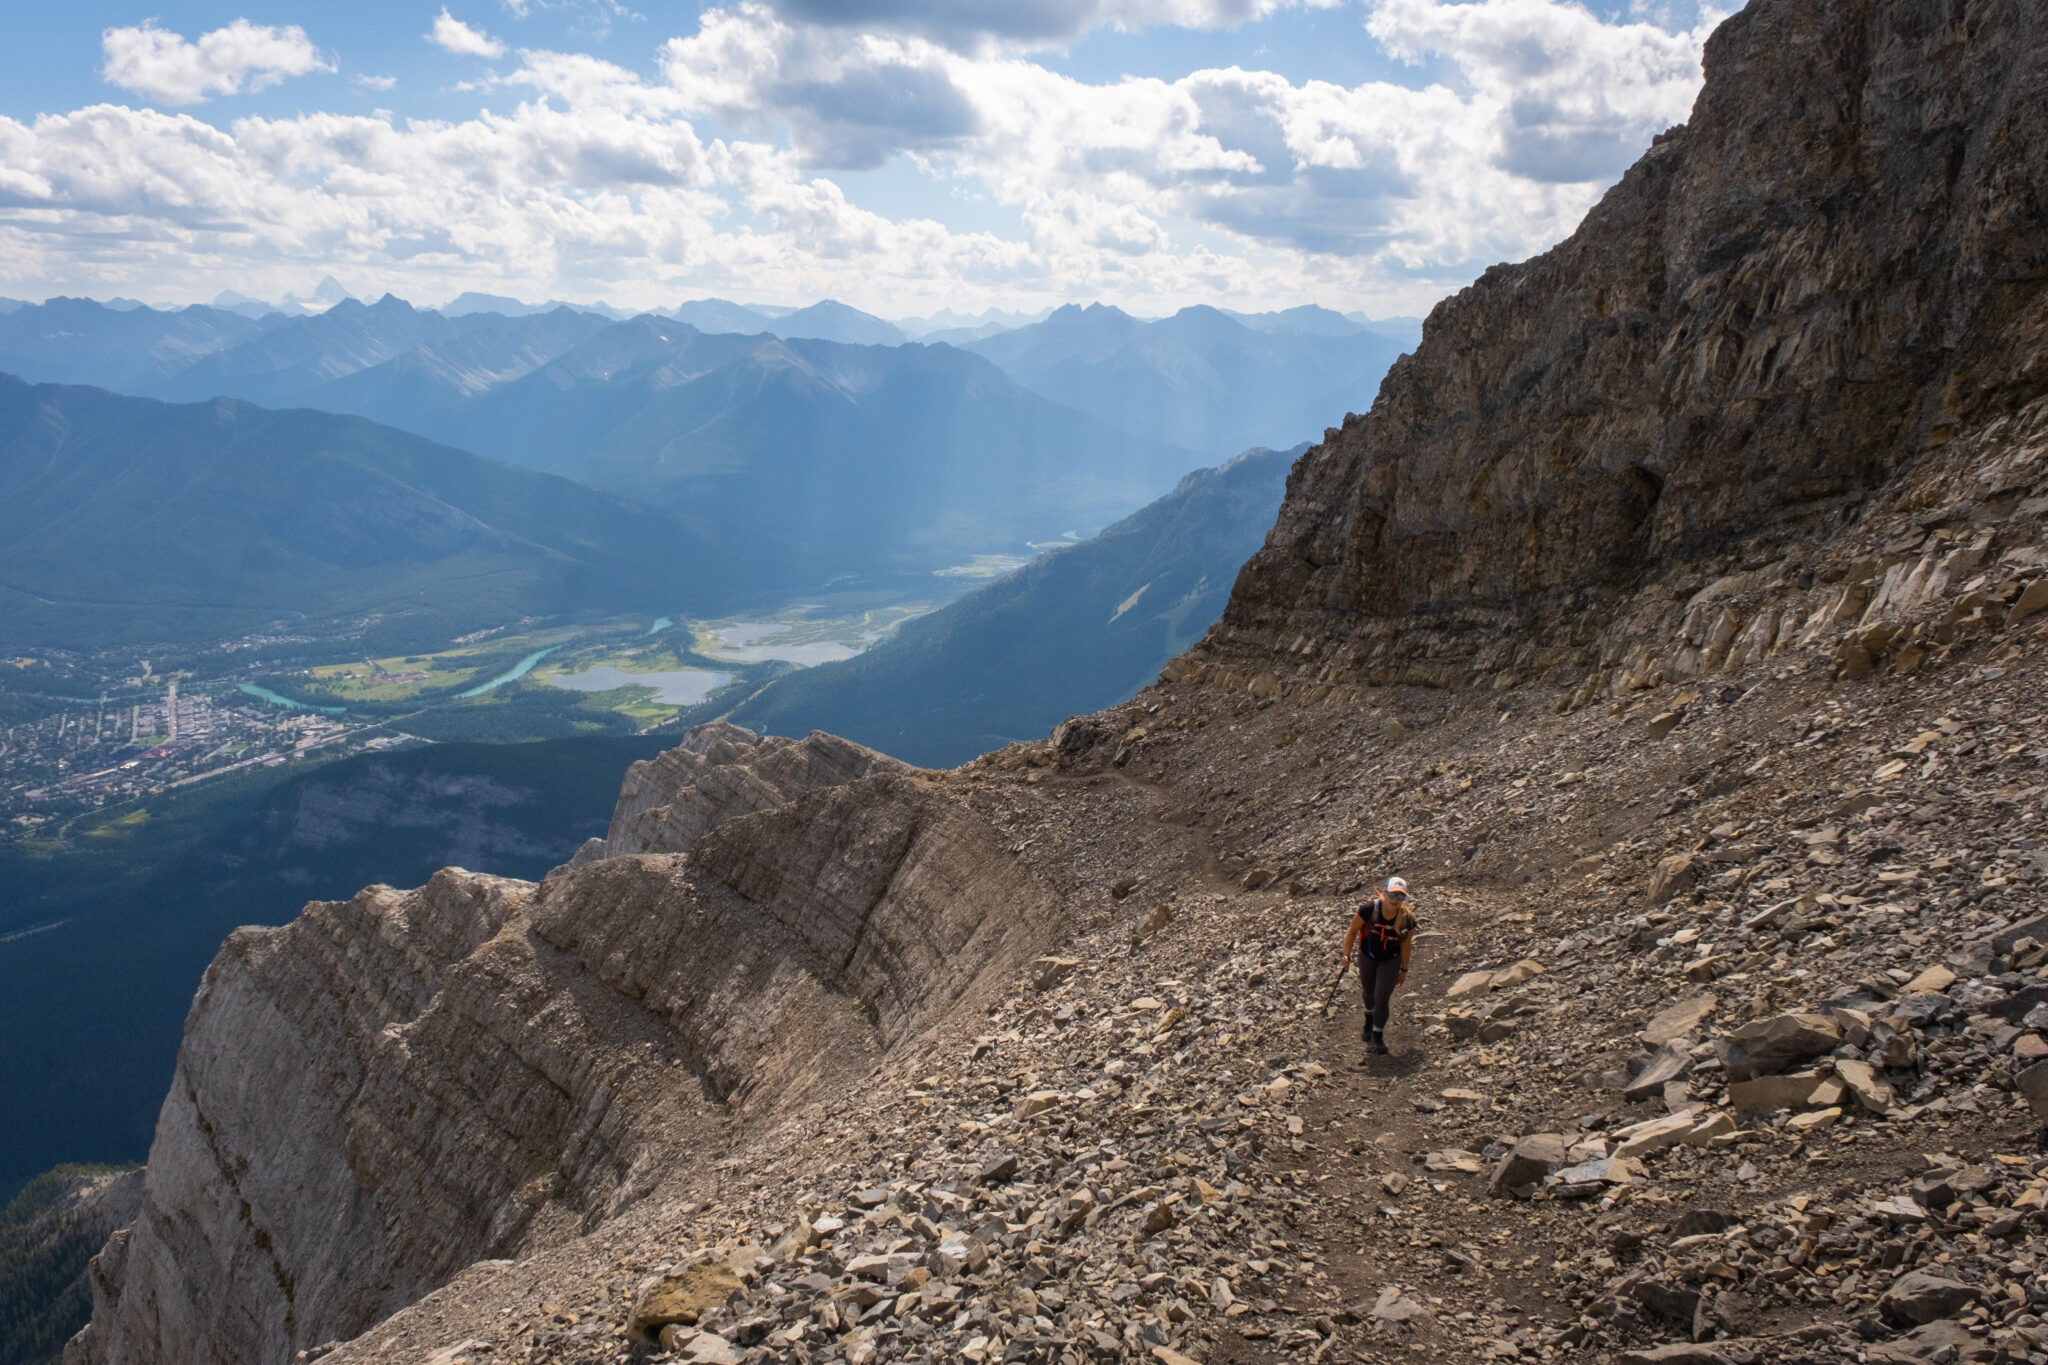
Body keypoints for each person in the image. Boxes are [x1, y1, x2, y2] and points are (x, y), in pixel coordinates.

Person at [1341, 876, 1415, 1054]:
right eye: (1392, 894)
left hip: (1390, 960)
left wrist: (1404, 969)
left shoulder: (1406, 919)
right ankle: (1369, 1015)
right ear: (1384, 893)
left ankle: (1377, 1035)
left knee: (1382, 995)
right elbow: (1352, 931)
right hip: (1367, 957)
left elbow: (1405, 944)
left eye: (1400, 896)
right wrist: (1346, 955)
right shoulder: (1368, 910)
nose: (1395, 900)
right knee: (1369, 992)